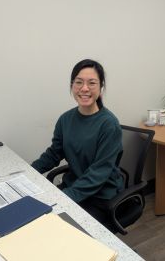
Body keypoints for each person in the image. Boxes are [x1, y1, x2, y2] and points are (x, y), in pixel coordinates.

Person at [31, 59, 124, 223]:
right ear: (72, 86)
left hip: (100, 196)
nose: (84, 88)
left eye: (92, 83)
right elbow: (54, 154)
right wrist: (30, 172)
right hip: (74, 188)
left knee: (59, 230)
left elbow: (98, 174)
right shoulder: (65, 119)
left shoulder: (109, 125)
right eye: (79, 82)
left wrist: (64, 198)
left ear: (101, 87)